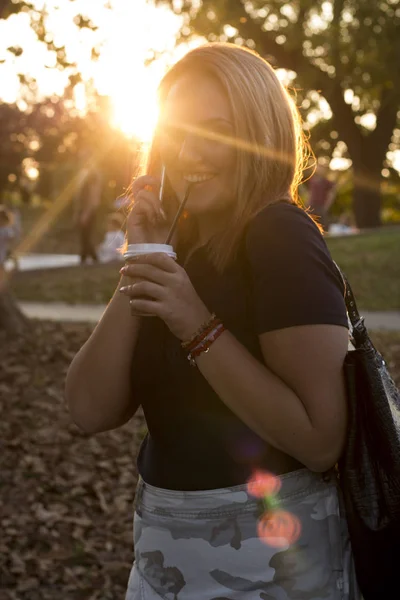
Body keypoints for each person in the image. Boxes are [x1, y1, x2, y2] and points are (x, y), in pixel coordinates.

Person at [66, 43, 360, 599]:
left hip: (270, 560)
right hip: (162, 554)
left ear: (260, 135)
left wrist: (194, 322)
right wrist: (143, 257)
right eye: (176, 131)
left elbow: (321, 441)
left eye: (216, 131)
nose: (190, 150)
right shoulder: (180, 243)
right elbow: (88, 408)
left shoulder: (279, 234)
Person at [74, 151, 102, 264]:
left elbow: (93, 194)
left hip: (89, 209)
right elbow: (79, 195)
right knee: (84, 234)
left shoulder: (93, 175)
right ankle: (88, 257)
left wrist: (87, 211)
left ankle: (88, 257)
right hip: (83, 208)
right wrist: (77, 211)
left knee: (86, 234)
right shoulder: (83, 173)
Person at [307, 163, 336, 231]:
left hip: (321, 206)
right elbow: (310, 193)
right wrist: (308, 202)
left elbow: (332, 193)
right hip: (311, 205)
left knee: (323, 224)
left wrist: (327, 205)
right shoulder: (312, 180)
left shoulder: (326, 182)